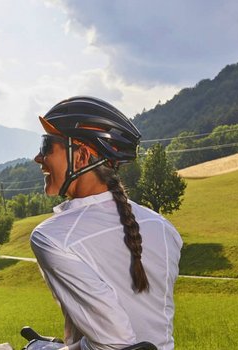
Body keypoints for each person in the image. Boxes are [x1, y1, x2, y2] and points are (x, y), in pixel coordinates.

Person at [30, 96, 182, 350]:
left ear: (80, 156)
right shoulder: (164, 228)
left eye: (47, 145)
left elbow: (114, 344)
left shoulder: (53, 237)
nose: (38, 157)